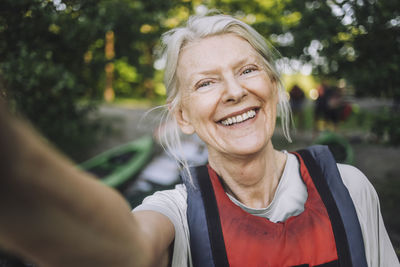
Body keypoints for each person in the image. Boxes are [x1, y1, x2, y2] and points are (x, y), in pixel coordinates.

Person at [0, 13, 398, 267]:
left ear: (274, 88)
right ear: (183, 116)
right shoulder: (176, 212)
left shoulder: (349, 186)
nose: (233, 91)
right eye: (206, 82)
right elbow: (127, 250)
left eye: (246, 70)